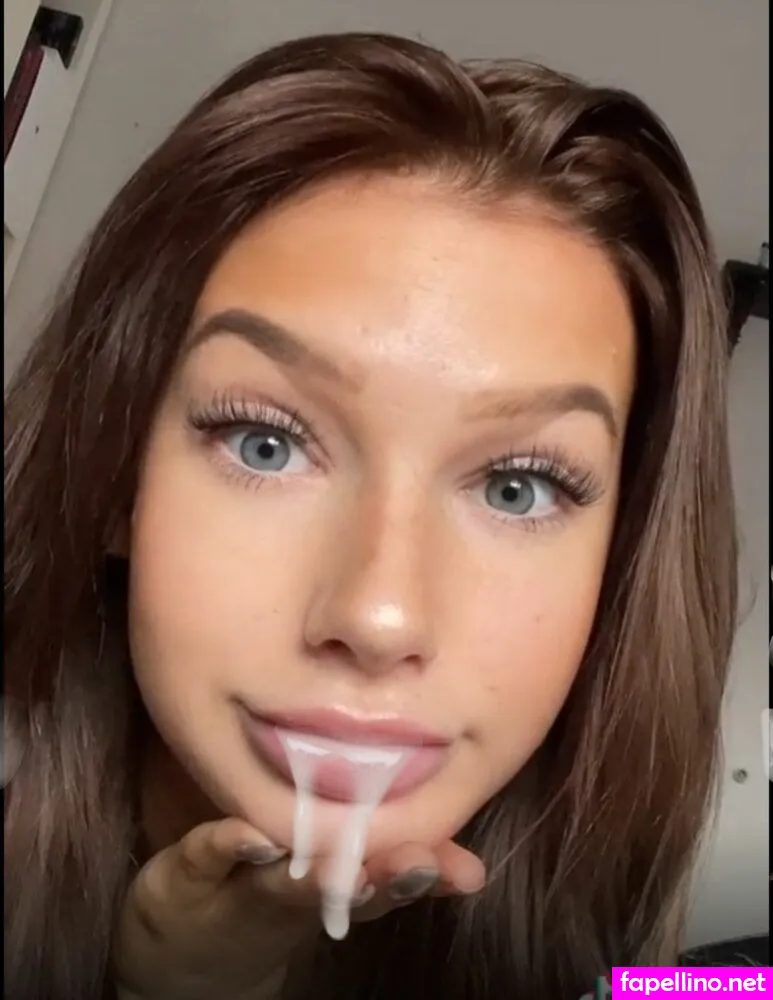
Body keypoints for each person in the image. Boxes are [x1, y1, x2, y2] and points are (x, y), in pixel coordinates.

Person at [3, 30, 738, 1000]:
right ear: (113, 481)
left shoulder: (646, 975)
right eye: (264, 443)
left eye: (517, 487)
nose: (377, 616)